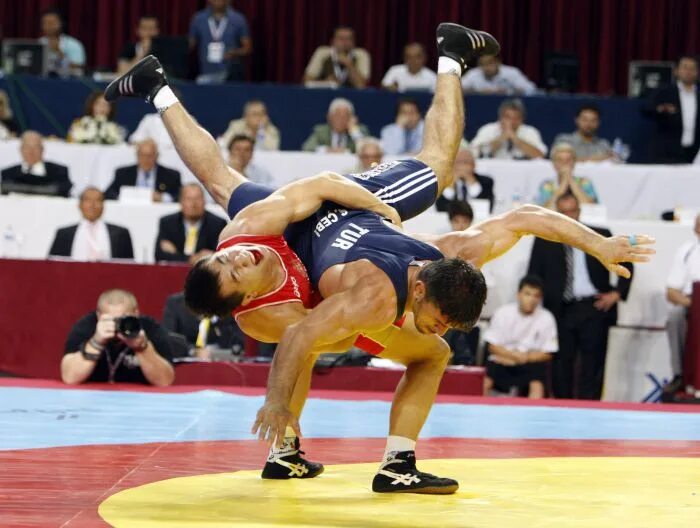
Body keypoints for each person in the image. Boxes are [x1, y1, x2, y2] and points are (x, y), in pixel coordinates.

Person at [105, 25, 651, 492]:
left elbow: (520, 217)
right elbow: (305, 339)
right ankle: (307, 454)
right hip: (345, 251)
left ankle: (159, 89)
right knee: (415, 206)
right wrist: (277, 402)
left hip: (348, 209)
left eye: (232, 261)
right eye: (440, 317)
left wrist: (599, 244)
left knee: (419, 187)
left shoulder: (443, 253)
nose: (240, 261)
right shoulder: (266, 281)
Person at [527, 193, 634, 400]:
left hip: (594, 306)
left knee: (593, 363)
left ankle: (591, 407)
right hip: (559, 309)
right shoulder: (544, 240)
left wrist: (617, 293)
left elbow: (627, 261)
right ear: (556, 214)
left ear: (579, 211)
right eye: (564, 212)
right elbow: (534, 275)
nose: (570, 216)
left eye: (573, 211)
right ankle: (563, 406)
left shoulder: (600, 235)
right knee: (561, 363)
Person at [62, 289, 175, 386]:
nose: (117, 325)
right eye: (111, 320)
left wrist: (142, 348)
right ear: (98, 315)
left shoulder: (149, 328)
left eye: (123, 319)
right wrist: (96, 342)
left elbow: (165, 381)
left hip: (139, 398)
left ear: (136, 313)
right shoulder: (86, 327)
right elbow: (69, 378)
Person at [483, 275, 558, 399]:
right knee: (485, 382)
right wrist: (512, 356)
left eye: (536, 296)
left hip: (530, 363)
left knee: (537, 386)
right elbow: (492, 346)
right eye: (527, 294)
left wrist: (524, 357)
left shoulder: (547, 317)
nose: (531, 299)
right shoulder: (503, 312)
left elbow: (548, 352)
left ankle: (533, 412)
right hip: (503, 360)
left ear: (540, 298)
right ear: (518, 294)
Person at [663, 213, 700, 396]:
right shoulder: (687, 251)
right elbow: (671, 291)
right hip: (692, 302)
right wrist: (693, 304)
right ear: (696, 230)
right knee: (675, 316)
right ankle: (680, 375)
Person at [48, 187, 134, 261]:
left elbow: (129, 266)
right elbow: (52, 264)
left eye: (98, 200)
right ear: (80, 205)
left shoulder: (121, 234)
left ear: (103, 206)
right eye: (88, 200)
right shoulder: (64, 234)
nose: (92, 205)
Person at [642, 55, 700, 164]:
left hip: (695, 153)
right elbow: (645, 108)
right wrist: (660, 109)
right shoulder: (665, 91)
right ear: (676, 71)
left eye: (692, 68)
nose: (688, 71)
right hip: (668, 152)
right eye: (685, 67)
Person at [155, 183, 227, 263]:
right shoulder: (167, 223)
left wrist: (176, 254)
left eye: (197, 198)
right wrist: (191, 259)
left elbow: (220, 257)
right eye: (188, 199)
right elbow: (159, 255)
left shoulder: (217, 224)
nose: (193, 204)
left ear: (204, 201)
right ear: (181, 202)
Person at [162, 291, 245, 359]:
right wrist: (192, 351)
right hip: (186, 362)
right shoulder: (176, 304)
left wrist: (216, 353)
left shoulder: (229, 304)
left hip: (221, 361)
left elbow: (238, 344)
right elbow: (169, 339)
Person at [189, 0, 252, 83]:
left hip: (231, 75)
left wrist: (235, 52)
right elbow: (189, 45)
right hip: (205, 74)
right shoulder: (198, 18)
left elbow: (247, 48)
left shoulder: (238, 19)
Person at [105, 139, 181, 202]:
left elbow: (180, 196)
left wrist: (163, 198)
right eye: (142, 155)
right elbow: (109, 193)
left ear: (157, 156)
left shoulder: (171, 175)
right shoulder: (123, 173)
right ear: (137, 155)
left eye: (149, 156)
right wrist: (124, 197)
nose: (145, 159)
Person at [0, 131, 71, 197]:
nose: (31, 151)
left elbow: (63, 192)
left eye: (36, 147)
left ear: (42, 149)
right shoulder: (8, 173)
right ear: (21, 149)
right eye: (27, 147)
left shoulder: (59, 172)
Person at [470, 98, 547, 159]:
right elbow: (475, 152)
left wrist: (514, 137)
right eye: (507, 117)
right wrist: (502, 138)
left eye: (516, 118)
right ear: (500, 117)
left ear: (522, 120)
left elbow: (540, 155)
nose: (512, 121)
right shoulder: (488, 129)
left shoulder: (530, 131)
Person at [303, 27, 370, 89]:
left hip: (352, 94)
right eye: (341, 39)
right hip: (326, 92)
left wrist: (349, 65)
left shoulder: (361, 55)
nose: (345, 42)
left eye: (348, 39)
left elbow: (361, 85)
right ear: (332, 41)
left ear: (353, 42)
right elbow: (306, 81)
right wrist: (325, 82)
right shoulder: (322, 53)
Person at [536, 143, 598, 209]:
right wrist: (563, 184)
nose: (564, 163)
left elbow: (591, 208)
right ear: (554, 164)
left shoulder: (584, 182)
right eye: (560, 160)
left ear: (574, 163)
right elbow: (544, 209)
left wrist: (571, 180)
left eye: (568, 160)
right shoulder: (547, 185)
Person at [436, 148, 494, 212]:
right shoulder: (442, 181)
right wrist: (451, 182)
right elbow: (441, 207)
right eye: (458, 162)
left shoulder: (486, 181)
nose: (462, 166)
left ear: (473, 165)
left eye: (465, 162)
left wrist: (470, 179)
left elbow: (486, 206)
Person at [302, 98, 369, 153]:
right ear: (329, 117)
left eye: (345, 117)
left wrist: (354, 131)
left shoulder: (359, 131)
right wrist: (326, 150)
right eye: (337, 116)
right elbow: (307, 148)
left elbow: (367, 150)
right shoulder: (321, 131)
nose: (341, 120)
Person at [39, 7, 86, 77]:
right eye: (45, 23)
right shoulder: (39, 43)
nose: (49, 26)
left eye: (52, 23)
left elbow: (79, 67)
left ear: (61, 24)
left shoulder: (74, 44)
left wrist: (59, 53)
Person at [461, 54, 536, 95]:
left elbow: (530, 89)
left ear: (498, 62)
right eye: (482, 64)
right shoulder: (473, 74)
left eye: (490, 63)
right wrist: (478, 91)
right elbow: (458, 88)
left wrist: (508, 91)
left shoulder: (511, 72)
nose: (486, 67)